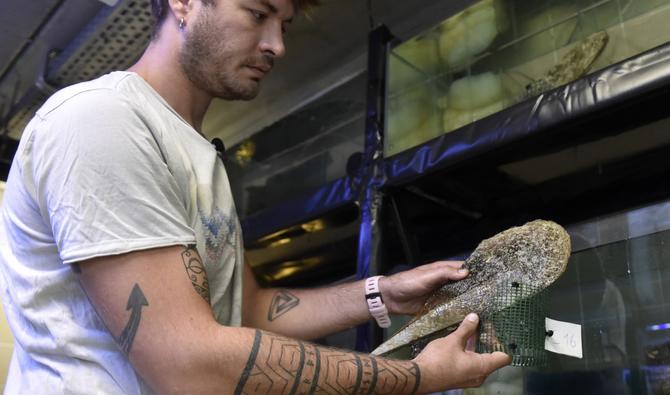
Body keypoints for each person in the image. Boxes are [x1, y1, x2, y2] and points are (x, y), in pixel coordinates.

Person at [0, 0, 511, 393]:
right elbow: (188, 366)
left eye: (283, 24)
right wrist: (415, 377)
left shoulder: (200, 156)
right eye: (258, 13)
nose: (277, 45)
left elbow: (250, 309)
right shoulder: (102, 120)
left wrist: (382, 293)